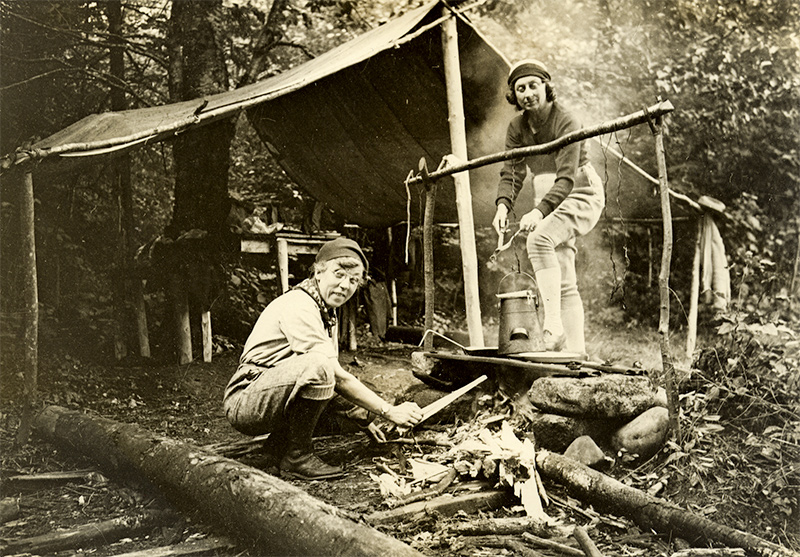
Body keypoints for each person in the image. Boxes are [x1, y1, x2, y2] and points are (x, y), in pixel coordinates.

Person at [223, 237, 423, 480]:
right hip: (246, 400)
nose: (344, 286)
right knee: (320, 368)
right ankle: (298, 456)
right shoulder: (300, 305)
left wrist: (367, 419)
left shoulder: (326, 311)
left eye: (353, 280)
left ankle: (277, 448)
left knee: (361, 404)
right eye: (338, 274)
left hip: (275, 391)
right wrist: (388, 411)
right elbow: (331, 374)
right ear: (318, 272)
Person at [492, 59, 605, 355]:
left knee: (539, 239)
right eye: (520, 89)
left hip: (579, 190)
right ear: (514, 96)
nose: (528, 93)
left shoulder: (566, 119)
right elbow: (512, 172)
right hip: (546, 192)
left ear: (546, 86)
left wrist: (538, 212)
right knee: (564, 279)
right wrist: (503, 206)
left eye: (533, 85)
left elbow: (566, 178)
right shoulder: (517, 127)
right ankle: (575, 354)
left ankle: (552, 325)